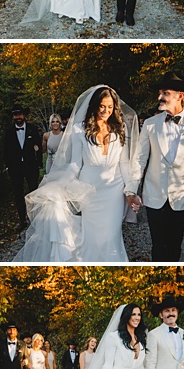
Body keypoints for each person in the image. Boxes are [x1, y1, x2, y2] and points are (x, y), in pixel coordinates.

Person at [14, 85, 139, 261]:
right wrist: (59, 185)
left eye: (110, 107)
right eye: (102, 106)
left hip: (114, 190)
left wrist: (130, 191)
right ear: (95, 105)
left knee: (111, 235)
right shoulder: (80, 129)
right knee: (92, 237)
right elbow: (74, 164)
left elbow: (124, 163)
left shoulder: (120, 129)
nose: (106, 111)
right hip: (90, 191)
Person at [127, 72, 184, 262]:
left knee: (175, 245)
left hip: (182, 196)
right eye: (160, 93)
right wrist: (131, 190)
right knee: (158, 245)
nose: (159, 97)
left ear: (180, 95)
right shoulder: (150, 125)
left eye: (165, 93)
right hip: (154, 195)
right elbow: (139, 160)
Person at [3, 105, 41, 231]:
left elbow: (39, 146)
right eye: (15, 115)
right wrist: (8, 166)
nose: (18, 117)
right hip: (15, 168)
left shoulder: (32, 129)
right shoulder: (8, 132)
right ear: (13, 116)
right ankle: (22, 220)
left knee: (33, 192)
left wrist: (39, 163)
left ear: (24, 115)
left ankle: (35, 219)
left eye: (20, 114)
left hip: (31, 166)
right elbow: (5, 150)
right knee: (18, 194)